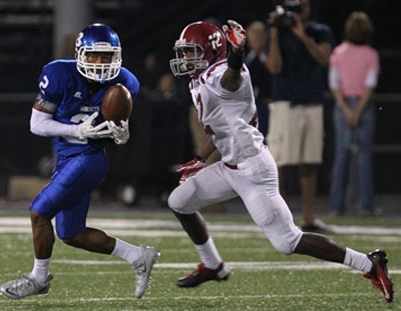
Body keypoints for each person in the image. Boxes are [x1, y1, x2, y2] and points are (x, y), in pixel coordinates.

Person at [167, 19, 393, 303]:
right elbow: (221, 126)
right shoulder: (201, 77)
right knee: (179, 202)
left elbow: (231, 80)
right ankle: (212, 265)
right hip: (229, 166)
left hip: (253, 170)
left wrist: (236, 55)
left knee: (288, 241)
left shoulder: (224, 72)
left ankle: (370, 264)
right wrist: (201, 158)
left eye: (192, 51)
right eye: (185, 52)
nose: (186, 58)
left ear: (211, 51)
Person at [0, 23, 159, 300]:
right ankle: (138, 255)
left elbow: (118, 131)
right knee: (72, 234)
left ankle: (38, 279)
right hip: (65, 157)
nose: (100, 63)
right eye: (94, 56)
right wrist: (76, 130)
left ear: (117, 56)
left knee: (39, 213)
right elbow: (37, 124)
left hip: (89, 160)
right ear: (80, 54)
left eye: (106, 56)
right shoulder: (59, 74)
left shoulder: (125, 82)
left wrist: (122, 134)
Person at [266, 0, 333, 232]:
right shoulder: (279, 34)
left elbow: (324, 59)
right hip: (285, 102)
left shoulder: (319, 31)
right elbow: (274, 67)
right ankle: (280, 219)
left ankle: (308, 217)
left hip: (312, 102)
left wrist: (302, 35)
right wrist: (274, 32)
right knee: (279, 163)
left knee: (309, 162)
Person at [329, 12, 379, 216]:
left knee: (341, 156)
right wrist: (357, 111)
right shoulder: (371, 54)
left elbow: (334, 85)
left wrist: (347, 109)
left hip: (343, 107)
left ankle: (336, 206)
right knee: (364, 157)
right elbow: (370, 85)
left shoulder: (338, 52)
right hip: (363, 108)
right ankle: (366, 206)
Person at [245, 21, 272, 136]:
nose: (257, 37)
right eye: (254, 34)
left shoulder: (272, 60)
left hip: (269, 105)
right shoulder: (243, 61)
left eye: (260, 34)